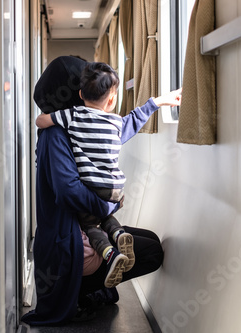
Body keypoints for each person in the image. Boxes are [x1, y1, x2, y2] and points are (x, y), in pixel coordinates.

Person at [21, 56, 166, 326]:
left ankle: (90, 283)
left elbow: (121, 129)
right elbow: (69, 192)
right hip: (68, 243)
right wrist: (109, 206)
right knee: (152, 253)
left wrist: (155, 103)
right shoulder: (56, 136)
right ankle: (77, 289)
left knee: (152, 239)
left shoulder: (69, 127)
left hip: (79, 228)